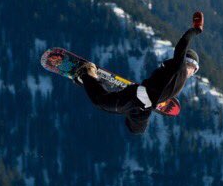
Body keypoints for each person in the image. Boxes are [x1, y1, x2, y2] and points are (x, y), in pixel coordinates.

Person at [75, 11, 204, 134]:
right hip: (135, 98)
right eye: (192, 67)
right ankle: (87, 73)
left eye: (195, 70)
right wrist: (195, 30)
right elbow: (182, 44)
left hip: (145, 107)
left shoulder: (179, 76)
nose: (192, 71)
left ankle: (123, 108)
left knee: (137, 130)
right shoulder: (180, 67)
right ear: (187, 62)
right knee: (100, 102)